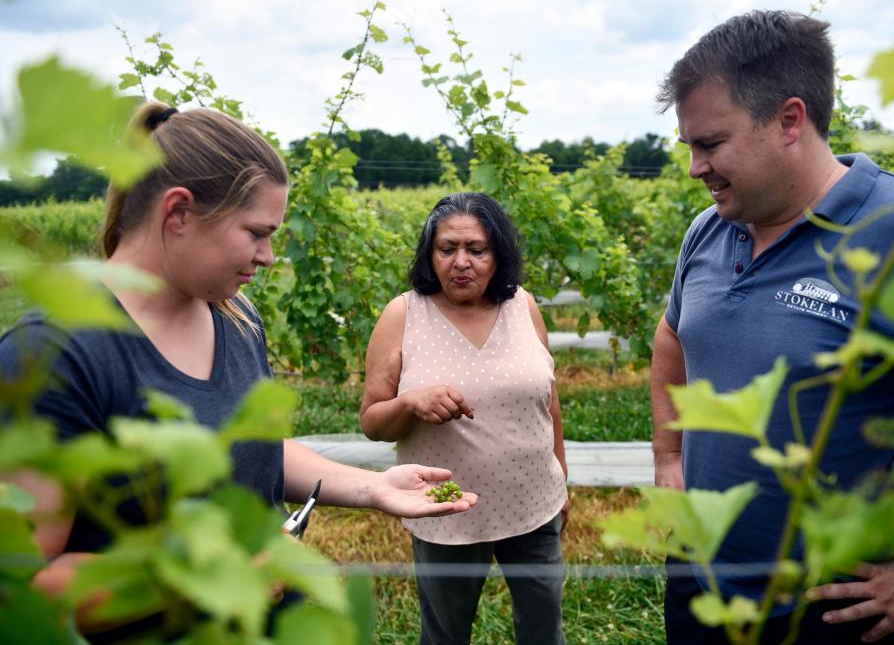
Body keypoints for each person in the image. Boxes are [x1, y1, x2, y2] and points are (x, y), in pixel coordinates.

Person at [0, 103, 478, 641]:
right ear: (178, 213)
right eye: (256, 233)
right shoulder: (54, 356)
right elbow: (23, 589)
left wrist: (373, 487)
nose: (269, 256)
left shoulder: (234, 315)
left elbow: (249, 447)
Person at [650, 10, 894, 645]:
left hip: (837, 604)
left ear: (790, 120)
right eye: (688, 147)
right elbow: (672, 339)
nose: (694, 168)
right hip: (701, 580)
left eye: (710, 144)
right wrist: (669, 459)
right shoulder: (708, 229)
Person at [360, 192, 569, 645]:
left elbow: (547, 402)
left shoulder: (523, 306)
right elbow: (373, 421)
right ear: (429, 253)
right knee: (446, 633)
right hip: (446, 504)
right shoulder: (404, 314)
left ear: (498, 254)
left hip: (533, 502)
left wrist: (562, 481)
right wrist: (410, 403)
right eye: (447, 249)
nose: (461, 262)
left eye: (476, 249)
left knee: (543, 628)